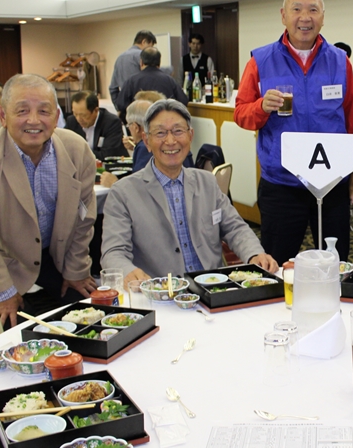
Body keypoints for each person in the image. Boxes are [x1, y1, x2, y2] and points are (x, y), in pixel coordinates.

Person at [234, 0, 353, 263]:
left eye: (313, 10)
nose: (305, 17)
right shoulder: (260, 61)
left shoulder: (340, 61)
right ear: (283, 15)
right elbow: (241, 114)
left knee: (335, 263)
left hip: (332, 182)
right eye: (297, 9)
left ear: (323, 17)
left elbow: (352, 120)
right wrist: (261, 107)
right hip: (281, 184)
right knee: (277, 264)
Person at [0, 74, 98, 328]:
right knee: (15, 334)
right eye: (22, 111)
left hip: (59, 259)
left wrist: (76, 270)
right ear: (3, 116)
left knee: (92, 323)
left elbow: (84, 218)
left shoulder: (76, 150)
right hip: (7, 265)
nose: (33, 120)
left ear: (56, 116)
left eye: (43, 111)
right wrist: (3, 291)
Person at [101, 99, 277, 285]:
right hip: (161, 292)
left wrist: (254, 254)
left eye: (178, 131)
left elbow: (235, 227)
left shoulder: (207, 182)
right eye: (160, 133)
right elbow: (113, 252)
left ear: (190, 135)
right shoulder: (124, 193)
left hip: (212, 287)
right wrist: (128, 272)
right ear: (146, 141)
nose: (170, 141)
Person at [117, 47, 188, 113]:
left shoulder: (131, 81)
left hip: (139, 120)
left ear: (141, 62)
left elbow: (121, 104)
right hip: (163, 119)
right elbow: (183, 101)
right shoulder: (169, 80)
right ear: (159, 63)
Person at [64, 91, 128, 160]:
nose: (78, 119)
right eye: (75, 114)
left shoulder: (111, 122)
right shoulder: (72, 121)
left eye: (83, 115)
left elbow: (107, 155)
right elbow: (63, 146)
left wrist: (77, 153)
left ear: (96, 110)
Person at [109, 30, 156, 107]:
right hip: (142, 106)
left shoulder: (120, 58)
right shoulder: (142, 56)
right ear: (144, 42)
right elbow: (152, 78)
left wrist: (118, 107)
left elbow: (113, 88)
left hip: (126, 107)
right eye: (150, 46)